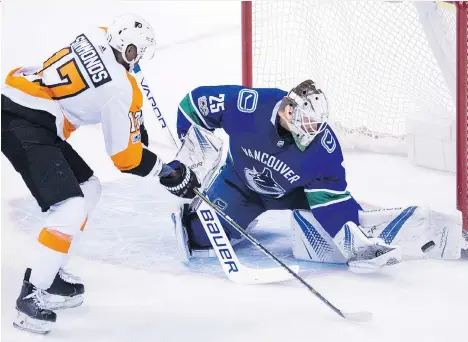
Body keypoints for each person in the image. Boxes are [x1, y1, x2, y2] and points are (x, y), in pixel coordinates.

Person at [1, 14, 198, 334]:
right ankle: (31, 296)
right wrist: (168, 172)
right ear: (131, 51)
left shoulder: (97, 33)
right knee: (70, 206)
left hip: (23, 102)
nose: (138, 61)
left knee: (88, 188)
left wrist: (134, 121)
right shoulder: (122, 89)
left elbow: (110, 84)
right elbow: (125, 158)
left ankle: (50, 276)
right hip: (26, 122)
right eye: (138, 53)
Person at [172, 80, 465, 273]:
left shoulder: (324, 148)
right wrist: (190, 158)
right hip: (239, 185)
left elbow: (330, 201)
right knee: (199, 237)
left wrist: (352, 241)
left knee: (348, 223)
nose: (313, 130)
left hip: (295, 196)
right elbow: (193, 104)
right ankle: (238, 216)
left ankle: (425, 235)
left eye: (318, 123)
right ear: (289, 110)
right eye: (307, 121)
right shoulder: (250, 105)